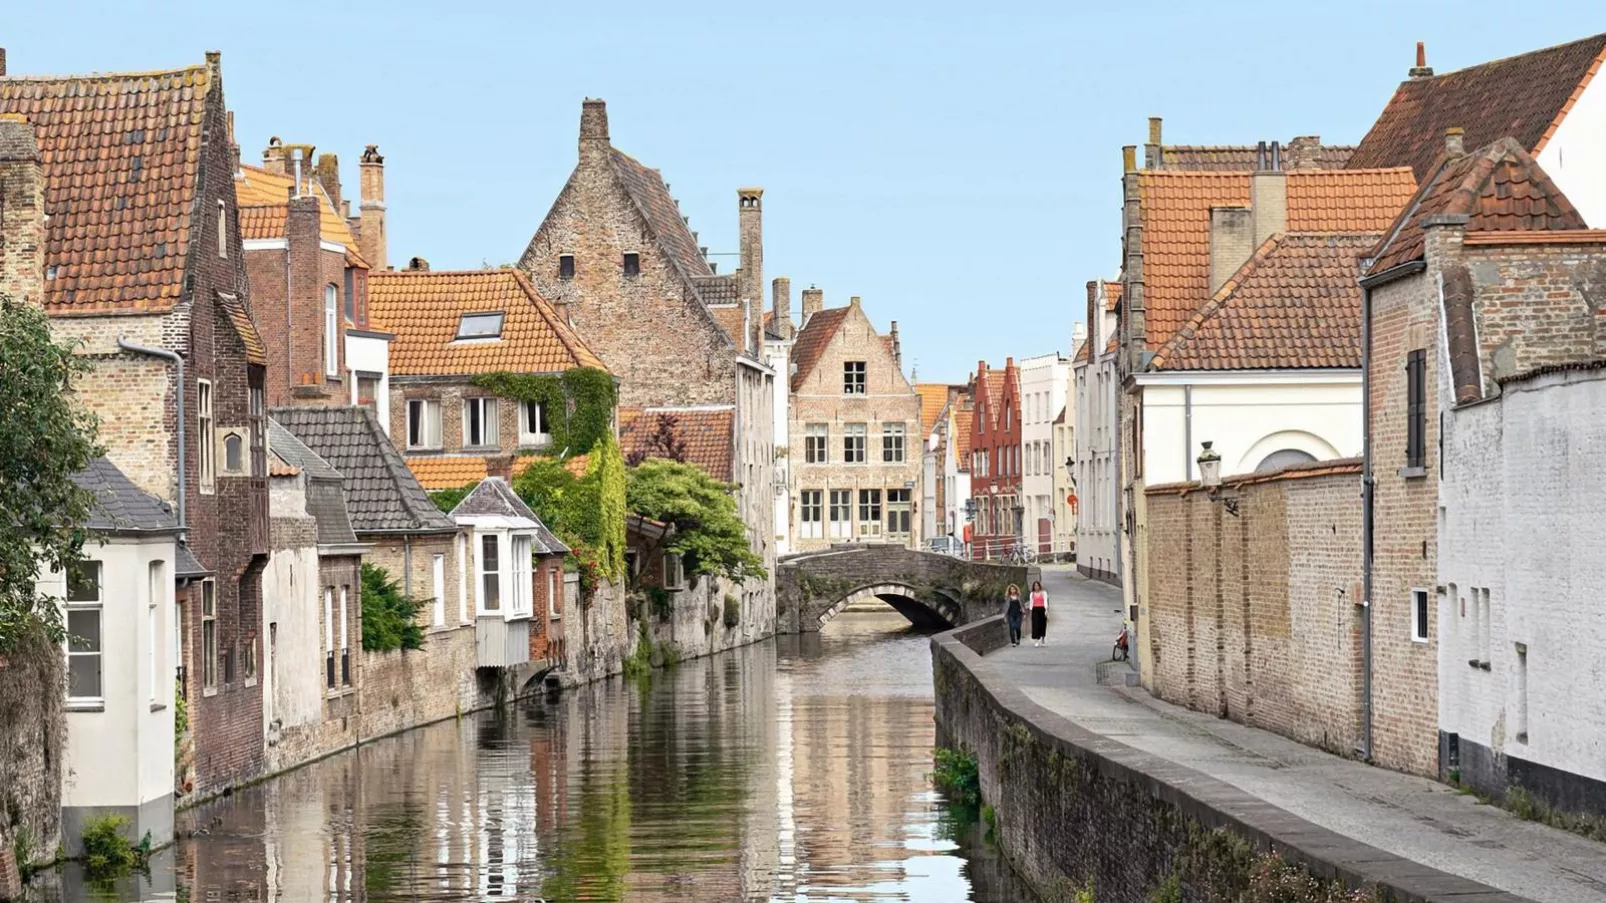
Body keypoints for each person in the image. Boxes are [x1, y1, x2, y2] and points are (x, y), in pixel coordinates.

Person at [1029, 580, 1049, 646]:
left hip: (1042, 609)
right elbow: (1031, 603)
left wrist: (1046, 610)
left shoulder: (1044, 593)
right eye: (1035, 586)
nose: (1036, 587)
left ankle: (1042, 638)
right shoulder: (1032, 594)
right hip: (1035, 609)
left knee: (1042, 624)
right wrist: (1030, 610)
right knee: (1035, 624)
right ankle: (1036, 640)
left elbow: (1045, 601)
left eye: (1037, 585)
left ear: (1039, 586)